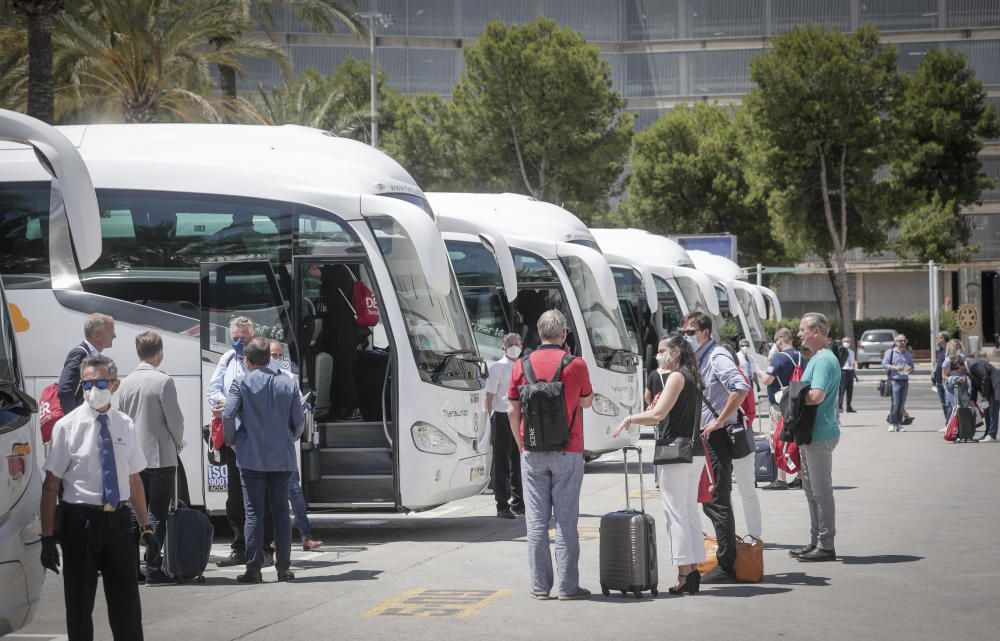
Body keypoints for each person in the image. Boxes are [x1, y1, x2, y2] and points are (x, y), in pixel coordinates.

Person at [41, 355, 159, 641]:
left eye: (101, 382)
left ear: (115, 385)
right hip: (80, 521)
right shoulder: (67, 426)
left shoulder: (125, 424)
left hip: (118, 521)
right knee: (79, 607)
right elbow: (51, 484)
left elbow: (134, 480)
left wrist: (146, 526)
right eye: (88, 383)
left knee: (127, 607)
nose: (94, 389)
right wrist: (46, 538)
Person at [508, 310, 593, 601]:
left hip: (532, 451)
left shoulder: (521, 364)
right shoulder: (576, 365)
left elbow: (512, 408)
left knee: (536, 523)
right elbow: (588, 401)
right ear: (564, 334)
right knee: (566, 521)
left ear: (539, 333)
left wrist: (521, 443)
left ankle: (540, 587)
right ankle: (568, 587)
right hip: (569, 450)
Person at [612, 333, 705, 595]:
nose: (658, 354)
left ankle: (684, 574)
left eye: (663, 350)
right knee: (688, 512)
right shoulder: (692, 376)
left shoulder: (676, 377)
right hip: (694, 451)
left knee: (676, 514)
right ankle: (694, 570)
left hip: (675, 453)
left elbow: (657, 414)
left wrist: (630, 419)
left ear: (676, 352)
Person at [223, 337, 305, 583]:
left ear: (246, 361)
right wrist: (291, 437)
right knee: (281, 512)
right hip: (282, 457)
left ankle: (253, 569)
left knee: (253, 513)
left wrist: (233, 441)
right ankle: (284, 568)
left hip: (251, 457)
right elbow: (299, 421)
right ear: (269, 358)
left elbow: (228, 415)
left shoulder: (241, 383)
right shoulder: (287, 383)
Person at [679, 311, 749, 583]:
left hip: (716, 438)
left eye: (691, 332)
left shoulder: (717, 356)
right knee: (711, 500)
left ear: (705, 333)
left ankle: (726, 563)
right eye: (684, 332)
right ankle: (723, 557)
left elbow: (740, 387)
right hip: (705, 436)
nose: (687, 337)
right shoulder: (700, 356)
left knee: (717, 499)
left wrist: (719, 421)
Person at [116, 331, 184, 585]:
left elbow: (122, 418)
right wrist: (178, 443)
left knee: (136, 513)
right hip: (159, 456)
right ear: (160, 353)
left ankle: (132, 569)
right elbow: (175, 420)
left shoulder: (126, 382)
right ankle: (153, 568)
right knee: (157, 512)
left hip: (133, 457)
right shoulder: (163, 381)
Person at [205, 316, 273, 566]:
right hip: (234, 439)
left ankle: (265, 548)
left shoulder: (266, 363)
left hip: (258, 439)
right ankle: (240, 547)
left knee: (262, 496)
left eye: (242, 339)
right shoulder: (227, 359)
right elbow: (212, 390)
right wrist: (222, 403)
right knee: (235, 498)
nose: (238, 342)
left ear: (252, 337)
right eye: (234, 338)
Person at [790, 313, 841, 562]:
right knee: (811, 492)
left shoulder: (822, 361)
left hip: (819, 433)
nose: (799, 334)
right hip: (812, 433)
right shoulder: (819, 358)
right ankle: (816, 541)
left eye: (802, 330)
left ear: (817, 331)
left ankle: (826, 545)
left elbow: (816, 395)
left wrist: (789, 398)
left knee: (820, 492)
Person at [268, 340, 323, 551]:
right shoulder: (255, 379)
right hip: (268, 447)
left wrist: (294, 435)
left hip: (285, 444)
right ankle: (273, 539)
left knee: (294, 491)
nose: (277, 359)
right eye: (273, 354)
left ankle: (305, 535)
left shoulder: (289, 378)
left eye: (280, 355)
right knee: (270, 496)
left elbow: (299, 413)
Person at [486, 333, 525, 519]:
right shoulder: (497, 368)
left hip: (520, 415)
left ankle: (518, 502)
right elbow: (490, 396)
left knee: (519, 460)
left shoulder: (523, 366)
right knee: (502, 461)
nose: (514, 347)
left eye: (517, 344)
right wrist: (490, 416)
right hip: (501, 416)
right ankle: (502, 504)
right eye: (510, 344)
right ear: (504, 347)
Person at [757, 328, 801, 490]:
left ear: (780, 340)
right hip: (797, 404)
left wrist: (759, 372)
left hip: (780, 405)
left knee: (779, 438)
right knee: (796, 440)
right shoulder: (801, 356)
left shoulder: (779, 358)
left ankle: (781, 479)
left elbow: (768, 380)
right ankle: (800, 477)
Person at [58, 313, 116, 414]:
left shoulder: (94, 355)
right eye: (111, 332)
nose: (114, 336)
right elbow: (64, 391)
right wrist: (75, 420)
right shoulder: (80, 354)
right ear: (97, 335)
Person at [882, 334, 914, 432]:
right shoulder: (890, 352)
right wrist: (896, 368)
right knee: (895, 403)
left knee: (902, 404)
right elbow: (884, 364)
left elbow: (912, 367)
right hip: (894, 380)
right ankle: (892, 423)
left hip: (904, 380)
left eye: (904, 341)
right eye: (900, 341)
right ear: (896, 342)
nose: (903, 342)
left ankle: (899, 423)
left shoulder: (908, 353)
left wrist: (909, 369)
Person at [968, 358, 1000, 443]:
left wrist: (984, 395)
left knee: (993, 410)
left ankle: (992, 435)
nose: (959, 373)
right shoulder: (968, 370)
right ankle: (987, 434)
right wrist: (972, 400)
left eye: (958, 371)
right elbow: (974, 385)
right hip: (989, 389)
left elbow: (985, 377)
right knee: (986, 411)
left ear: (960, 366)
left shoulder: (973, 364)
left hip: (996, 385)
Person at [645, 337, 672, 408]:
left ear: (674, 351)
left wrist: (654, 405)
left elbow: (647, 397)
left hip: (658, 414)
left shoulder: (653, 374)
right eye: (658, 352)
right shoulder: (679, 374)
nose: (658, 355)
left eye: (662, 351)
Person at [932, 332, 951, 426]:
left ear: (943, 339)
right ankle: (948, 425)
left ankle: (950, 425)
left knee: (948, 404)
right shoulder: (941, 351)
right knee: (944, 404)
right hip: (939, 381)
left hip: (946, 381)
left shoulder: (949, 350)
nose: (936, 340)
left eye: (938, 338)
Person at [838, 337, 858, 413]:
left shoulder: (852, 352)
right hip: (843, 371)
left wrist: (854, 374)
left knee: (850, 391)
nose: (847, 343)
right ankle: (840, 406)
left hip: (850, 371)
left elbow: (853, 363)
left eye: (848, 341)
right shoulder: (840, 351)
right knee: (841, 390)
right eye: (845, 341)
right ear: (842, 342)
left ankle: (849, 407)